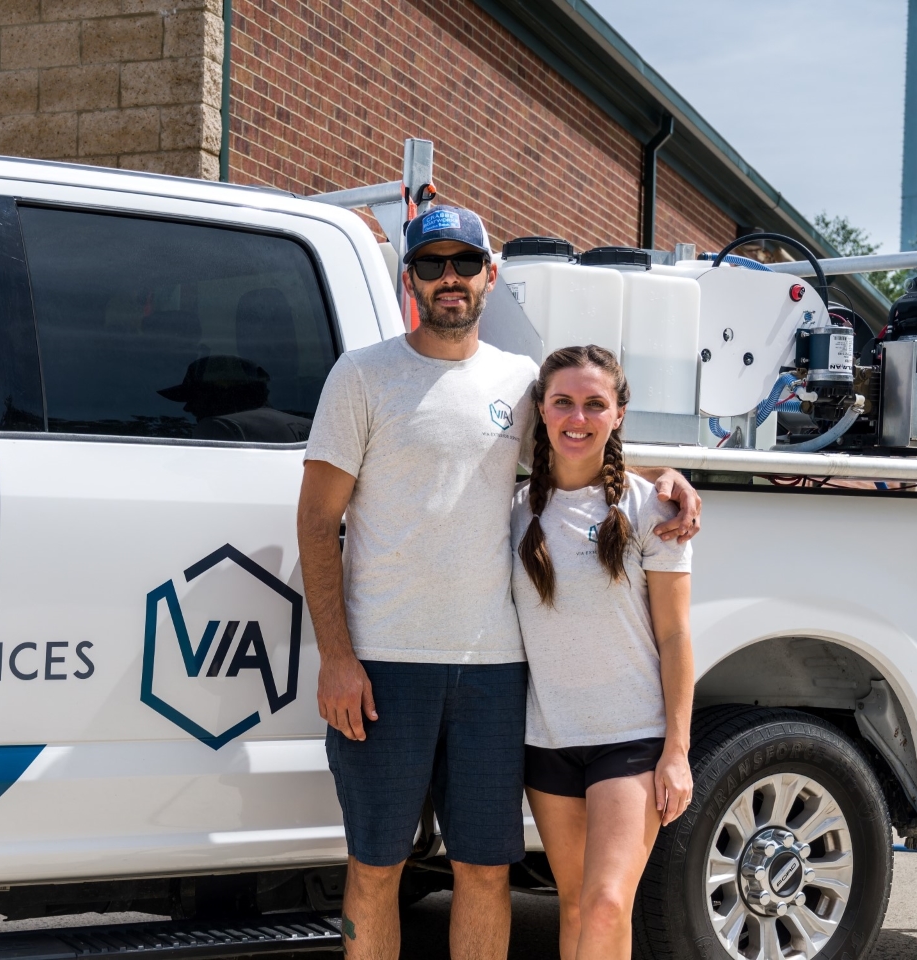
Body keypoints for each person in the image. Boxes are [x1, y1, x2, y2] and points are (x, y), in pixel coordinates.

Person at [297, 206, 701, 960]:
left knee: (484, 870)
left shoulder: (521, 381)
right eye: (431, 264)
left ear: (490, 274)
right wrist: (337, 657)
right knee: (375, 866)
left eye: (463, 263)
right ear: (410, 278)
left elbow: (579, 443)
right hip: (384, 667)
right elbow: (318, 523)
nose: (448, 278)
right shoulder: (362, 375)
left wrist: (662, 478)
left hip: (494, 675)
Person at [510, 344, 694, 960]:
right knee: (574, 906)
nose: (577, 418)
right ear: (542, 408)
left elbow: (674, 636)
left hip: (632, 738)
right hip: (550, 738)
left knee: (610, 901)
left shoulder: (652, 509)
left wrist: (676, 751)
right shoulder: (513, 512)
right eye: (563, 401)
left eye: (595, 404)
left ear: (618, 414)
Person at [158, 354, 312, 442]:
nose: (187, 407)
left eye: (194, 396)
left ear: (219, 395)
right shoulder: (307, 428)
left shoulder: (216, 428)